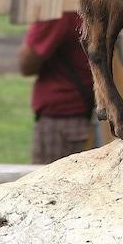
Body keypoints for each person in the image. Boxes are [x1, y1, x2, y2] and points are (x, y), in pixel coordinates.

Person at [19, 12, 97, 164]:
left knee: (44, 185)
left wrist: (34, 26)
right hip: (81, 116)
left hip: (62, 123)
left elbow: (26, 63)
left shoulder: (57, 12)